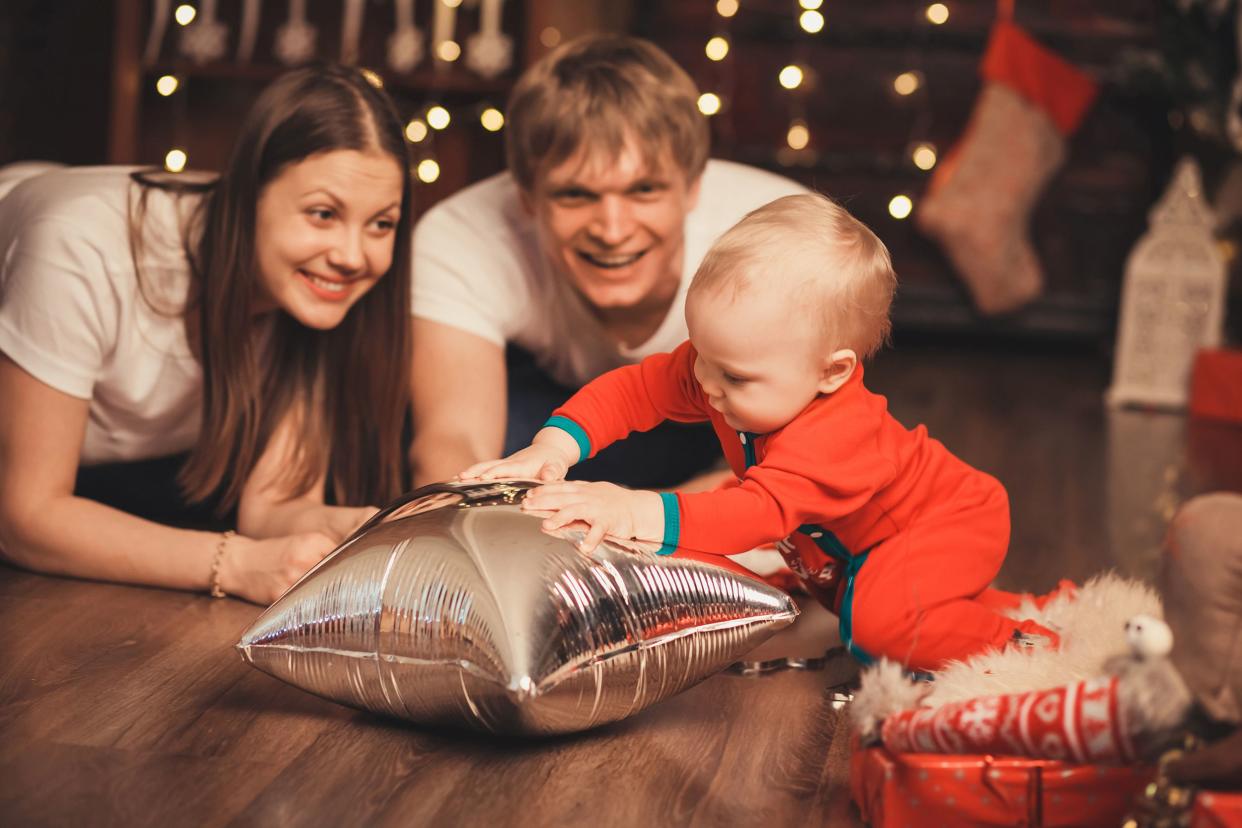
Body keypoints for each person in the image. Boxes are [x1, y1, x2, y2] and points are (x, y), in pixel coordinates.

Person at [462, 193, 1062, 672]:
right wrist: (553, 448)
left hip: (947, 521)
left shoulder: (836, 435)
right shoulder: (721, 366)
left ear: (832, 373)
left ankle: (1027, 646)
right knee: (849, 593)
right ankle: (982, 608)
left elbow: (758, 515)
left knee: (880, 626)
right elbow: (632, 391)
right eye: (701, 354)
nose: (706, 384)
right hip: (858, 542)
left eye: (735, 377)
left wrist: (631, 508)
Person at [0, 64, 412, 605]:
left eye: (381, 224)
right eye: (322, 214)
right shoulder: (79, 250)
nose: (354, 256)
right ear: (247, 195)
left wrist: (352, 526)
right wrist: (236, 564)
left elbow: (272, 506)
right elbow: (24, 517)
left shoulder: (314, 296)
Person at [408, 34, 806, 490]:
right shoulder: (464, 233)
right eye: (575, 194)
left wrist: (635, 520)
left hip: (718, 420)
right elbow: (451, 445)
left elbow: (800, 469)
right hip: (547, 421)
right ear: (527, 198)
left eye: (643, 190)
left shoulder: (781, 239)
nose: (612, 230)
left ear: (694, 186)